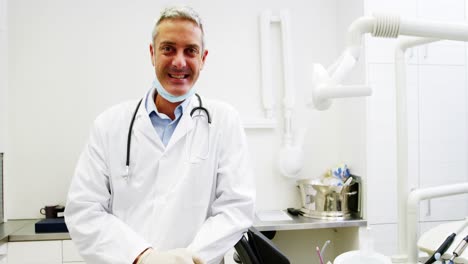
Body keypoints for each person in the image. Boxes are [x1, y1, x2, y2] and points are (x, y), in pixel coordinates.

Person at [64, 5, 255, 264]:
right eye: (168, 48)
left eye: (190, 50)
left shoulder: (224, 122)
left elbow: (236, 208)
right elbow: (83, 211)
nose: (179, 61)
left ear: (203, 58)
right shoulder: (109, 125)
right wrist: (142, 257)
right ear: (153, 54)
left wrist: (186, 259)